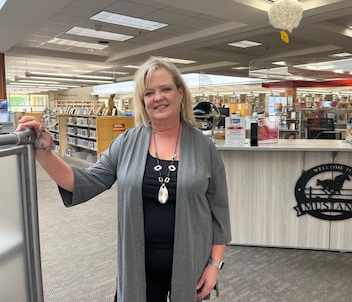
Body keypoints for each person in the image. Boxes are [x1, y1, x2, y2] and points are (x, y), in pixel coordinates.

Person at [17, 56, 232, 302]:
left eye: (166, 89)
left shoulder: (204, 148)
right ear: (143, 100)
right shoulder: (127, 142)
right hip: (138, 269)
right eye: (149, 92)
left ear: (180, 93)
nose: (158, 97)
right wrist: (45, 152)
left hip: (190, 265)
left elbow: (220, 211)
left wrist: (215, 265)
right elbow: (84, 183)